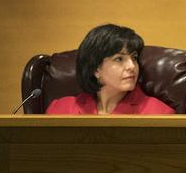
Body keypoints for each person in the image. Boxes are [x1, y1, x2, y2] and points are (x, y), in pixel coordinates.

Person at [46, 24, 175, 115]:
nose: (131, 66)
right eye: (119, 59)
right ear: (95, 69)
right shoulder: (59, 110)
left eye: (134, 58)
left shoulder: (158, 114)